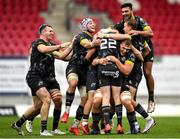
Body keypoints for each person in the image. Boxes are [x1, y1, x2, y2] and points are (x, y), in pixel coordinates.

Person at [11, 24, 73, 136]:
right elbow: (44, 50)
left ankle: (19, 124)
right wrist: (61, 45)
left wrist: (73, 47)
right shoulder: (37, 43)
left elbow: (63, 56)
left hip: (50, 78)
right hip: (35, 76)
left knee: (56, 100)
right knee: (47, 100)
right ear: (43, 32)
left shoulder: (51, 45)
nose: (52, 33)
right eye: (50, 31)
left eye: (53, 31)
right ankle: (43, 130)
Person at [60, 18, 101, 135]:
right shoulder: (81, 36)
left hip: (85, 72)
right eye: (90, 23)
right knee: (73, 83)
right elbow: (87, 45)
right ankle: (66, 112)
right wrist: (94, 44)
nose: (93, 24)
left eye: (94, 23)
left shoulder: (93, 38)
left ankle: (74, 126)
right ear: (84, 26)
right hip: (74, 67)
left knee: (85, 99)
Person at [106, 39, 156, 134]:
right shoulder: (117, 47)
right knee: (122, 100)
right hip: (125, 77)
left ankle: (145, 121)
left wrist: (116, 60)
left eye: (127, 49)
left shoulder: (131, 53)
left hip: (134, 75)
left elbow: (126, 71)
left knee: (128, 100)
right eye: (123, 48)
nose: (124, 50)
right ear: (120, 44)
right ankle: (134, 126)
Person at [114, 2, 155, 113]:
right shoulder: (122, 23)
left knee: (147, 72)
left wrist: (137, 32)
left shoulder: (140, 21)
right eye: (122, 12)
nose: (124, 13)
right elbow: (113, 29)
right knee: (134, 73)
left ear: (132, 10)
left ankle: (151, 99)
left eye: (126, 11)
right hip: (135, 50)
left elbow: (150, 33)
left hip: (146, 48)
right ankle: (133, 102)